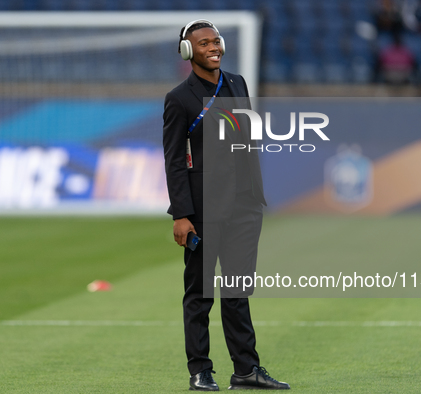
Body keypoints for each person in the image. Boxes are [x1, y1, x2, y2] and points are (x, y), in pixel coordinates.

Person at [162, 20, 290, 391]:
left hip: (245, 207)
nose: (213, 47)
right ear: (188, 52)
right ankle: (200, 371)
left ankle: (246, 370)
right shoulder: (179, 98)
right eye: (203, 43)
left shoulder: (237, 83)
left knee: (237, 291)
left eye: (215, 40)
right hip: (203, 210)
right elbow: (173, 160)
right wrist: (182, 214)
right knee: (200, 295)